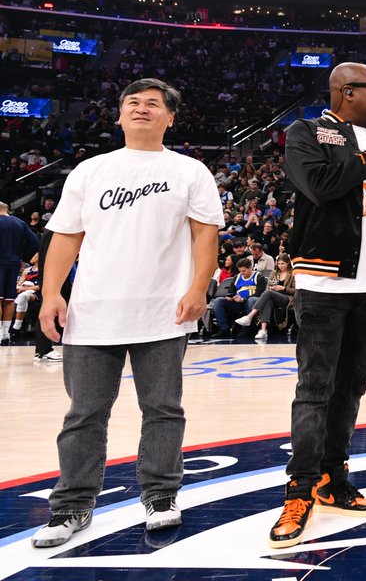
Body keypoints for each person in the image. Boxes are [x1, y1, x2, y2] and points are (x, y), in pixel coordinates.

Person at [32, 78, 223, 548]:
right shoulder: (89, 171)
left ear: (170, 117)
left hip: (164, 312)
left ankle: (161, 495)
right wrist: (50, 292)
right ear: (118, 116)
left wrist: (199, 287)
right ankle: (72, 507)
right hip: (93, 312)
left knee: (162, 410)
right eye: (132, 103)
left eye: (153, 104)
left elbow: (204, 235)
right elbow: (65, 237)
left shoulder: (190, 171)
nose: (141, 109)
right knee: (84, 414)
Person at [268, 63, 366, 549]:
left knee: (351, 388)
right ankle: (298, 490)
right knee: (315, 387)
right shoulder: (307, 133)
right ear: (347, 92)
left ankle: (332, 479)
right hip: (323, 282)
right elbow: (319, 185)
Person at [0, 200, 40, 345]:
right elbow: (35, 242)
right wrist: (22, 257)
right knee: (9, 300)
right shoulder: (20, 223)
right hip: (14, 263)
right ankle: (5, 335)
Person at [235, 254, 296, 340]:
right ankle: (263, 330)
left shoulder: (293, 273)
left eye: (283, 264)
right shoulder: (274, 273)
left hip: (287, 297)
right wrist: (272, 288)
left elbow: (297, 290)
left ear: (288, 264)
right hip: (274, 295)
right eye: (279, 264)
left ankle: (249, 317)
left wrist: (284, 288)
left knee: (268, 293)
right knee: (268, 301)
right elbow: (269, 286)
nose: (280, 266)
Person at [211, 258, 265, 337]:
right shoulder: (236, 277)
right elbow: (231, 292)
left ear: (250, 268)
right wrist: (230, 297)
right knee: (218, 301)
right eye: (240, 271)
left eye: (244, 271)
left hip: (252, 303)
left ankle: (247, 328)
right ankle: (224, 328)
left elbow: (259, 293)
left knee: (252, 300)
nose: (242, 273)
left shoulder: (259, 276)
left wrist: (243, 299)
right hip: (237, 302)